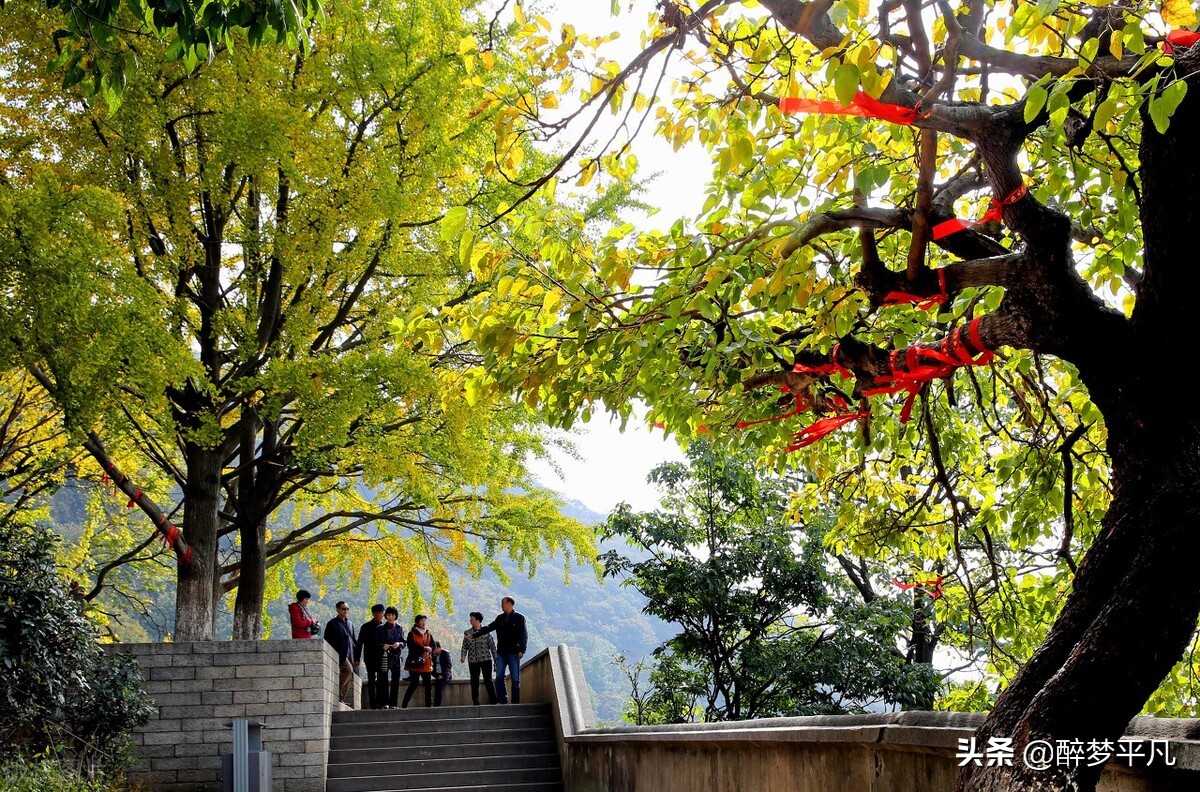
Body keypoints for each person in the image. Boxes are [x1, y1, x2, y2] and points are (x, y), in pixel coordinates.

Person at [467, 596, 527, 704]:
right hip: (502, 652)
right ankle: (503, 700)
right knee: (499, 677)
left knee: (515, 679)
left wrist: (522, 650)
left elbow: (523, 635)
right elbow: (489, 627)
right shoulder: (500, 618)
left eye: (503, 603)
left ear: (509, 604)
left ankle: (515, 703)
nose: (501, 606)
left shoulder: (519, 618)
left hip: (514, 652)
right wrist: (475, 635)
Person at [460, 611, 498, 705]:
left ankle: (494, 701)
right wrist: (463, 656)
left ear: (477, 620)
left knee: (488, 680)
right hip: (473, 661)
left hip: (486, 660)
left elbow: (492, 647)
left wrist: (496, 659)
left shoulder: (486, 632)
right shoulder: (467, 633)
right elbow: (465, 646)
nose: (470, 620)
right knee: (474, 681)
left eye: (472, 619)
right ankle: (476, 702)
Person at [323, 601, 356, 705]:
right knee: (348, 669)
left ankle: (341, 698)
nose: (346, 611)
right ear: (338, 609)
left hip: (350, 653)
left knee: (349, 675)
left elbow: (354, 640)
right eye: (343, 609)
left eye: (347, 609)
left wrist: (357, 656)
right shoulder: (332, 623)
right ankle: (337, 691)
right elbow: (328, 640)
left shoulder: (350, 623)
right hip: (339, 653)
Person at [354, 604, 386, 709]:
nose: (380, 615)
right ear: (373, 614)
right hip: (370, 657)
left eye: (382, 613)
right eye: (378, 613)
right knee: (372, 680)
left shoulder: (385, 627)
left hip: (382, 658)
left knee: (381, 680)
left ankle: (381, 703)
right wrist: (357, 658)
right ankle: (373, 705)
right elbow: (359, 643)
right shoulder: (366, 627)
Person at [401, 614, 435, 708]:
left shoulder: (428, 634)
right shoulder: (411, 633)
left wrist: (431, 649)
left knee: (428, 685)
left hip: (426, 663)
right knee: (413, 684)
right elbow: (411, 646)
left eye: (425, 620)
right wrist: (424, 648)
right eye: (421, 620)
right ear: (417, 622)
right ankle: (404, 705)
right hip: (415, 663)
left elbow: (433, 645)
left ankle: (429, 705)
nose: (423, 622)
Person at [377, 607, 406, 708]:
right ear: (385, 616)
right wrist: (382, 646)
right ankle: (384, 703)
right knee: (383, 680)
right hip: (384, 657)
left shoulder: (399, 628)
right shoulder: (380, 628)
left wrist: (399, 644)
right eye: (388, 615)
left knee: (395, 681)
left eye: (393, 615)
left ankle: (393, 704)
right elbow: (375, 643)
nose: (390, 617)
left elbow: (404, 642)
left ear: (395, 616)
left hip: (396, 657)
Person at [431, 641, 453, 707]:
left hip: (445, 675)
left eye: (434, 649)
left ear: (438, 648)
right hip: (438, 675)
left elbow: (448, 665)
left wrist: (443, 675)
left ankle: (437, 706)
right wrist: (436, 675)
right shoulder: (433, 656)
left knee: (439, 689)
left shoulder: (445, 653)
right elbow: (432, 667)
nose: (433, 651)